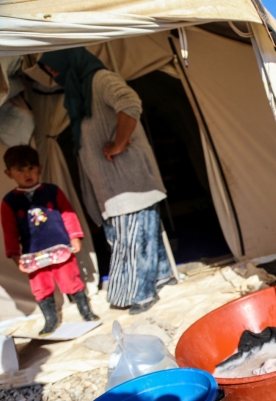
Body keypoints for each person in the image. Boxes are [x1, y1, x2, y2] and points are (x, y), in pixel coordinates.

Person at [38, 48, 173, 315]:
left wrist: (119, 144)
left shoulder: (100, 79)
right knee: (138, 233)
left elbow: (129, 102)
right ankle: (160, 276)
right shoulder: (81, 91)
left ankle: (141, 293)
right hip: (112, 185)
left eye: (55, 69)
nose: (55, 76)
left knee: (133, 237)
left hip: (128, 183)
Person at [1, 145, 99, 336]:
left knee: (71, 280)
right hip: (33, 255)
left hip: (61, 248)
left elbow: (68, 215)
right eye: (20, 170)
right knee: (41, 287)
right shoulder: (9, 202)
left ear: (40, 167)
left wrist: (75, 237)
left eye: (31, 168)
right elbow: (9, 230)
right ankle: (51, 319)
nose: (27, 173)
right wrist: (14, 254)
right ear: (8, 173)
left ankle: (85, 311)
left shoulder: (53, 192)